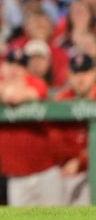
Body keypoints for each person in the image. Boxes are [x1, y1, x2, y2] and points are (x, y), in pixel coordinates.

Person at [0, 48, 63, 205]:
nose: (15, 69)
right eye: (11, 64)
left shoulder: (36, 82)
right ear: (2, 66)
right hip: (16, 175)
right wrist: (1, 87)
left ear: (26, 69)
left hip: (45, 171)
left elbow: (14, 97)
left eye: (20, 65)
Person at [52, 54, 96, 206]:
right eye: (76, 73)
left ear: (94, 73)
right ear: (69, 75)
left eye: (85, 72)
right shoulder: (61, 100)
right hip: (65, 170)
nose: (80, 78)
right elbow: (53, 140)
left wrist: (81, 160)